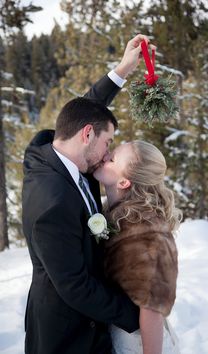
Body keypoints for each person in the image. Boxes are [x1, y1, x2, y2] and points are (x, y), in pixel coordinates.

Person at [22, 34, 150, 354]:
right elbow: (75, 288)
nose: (107, 155)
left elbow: (80, 111)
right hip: (68, 336)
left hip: (92, 320)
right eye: (108, 143)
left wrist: (122, 70)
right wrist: (140, 318)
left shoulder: (45, 148)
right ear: (88, 135)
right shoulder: (53, 203)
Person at [93, 140, 182, 354]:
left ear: (124, 182)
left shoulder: (147, 231)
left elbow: (152, 306)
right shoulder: (119, 216)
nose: (105, 156)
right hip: (119, 333)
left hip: (138, 344)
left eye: (112, 159)